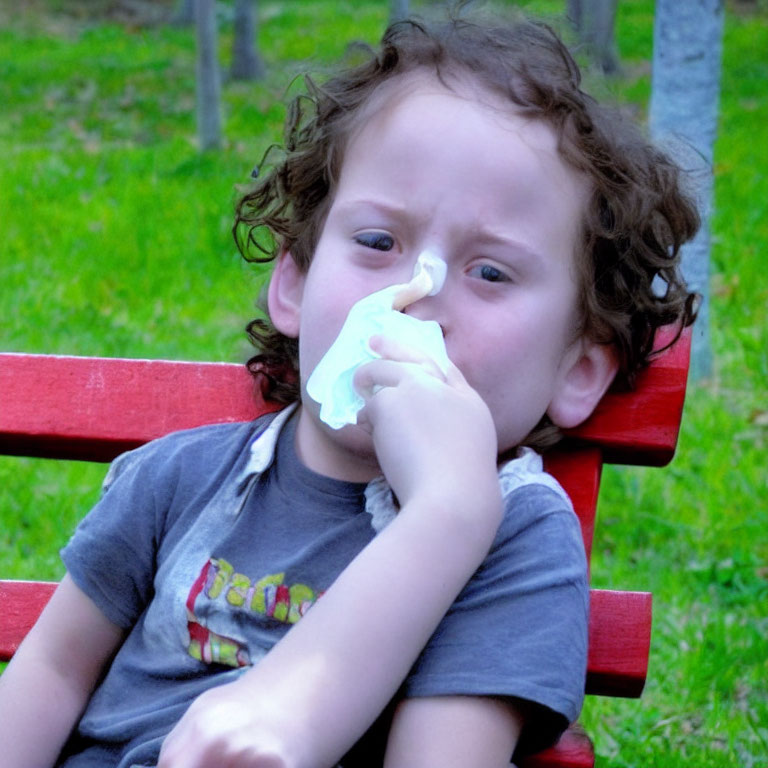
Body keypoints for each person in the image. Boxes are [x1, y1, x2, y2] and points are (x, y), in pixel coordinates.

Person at [0, 9, 698, 768]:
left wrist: (451, 508)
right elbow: (53, 670)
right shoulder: (175, 481)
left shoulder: (513, 537)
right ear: (295, 284)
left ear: (576, 371)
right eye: (377, 242)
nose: (417, 289)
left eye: (490, 272)